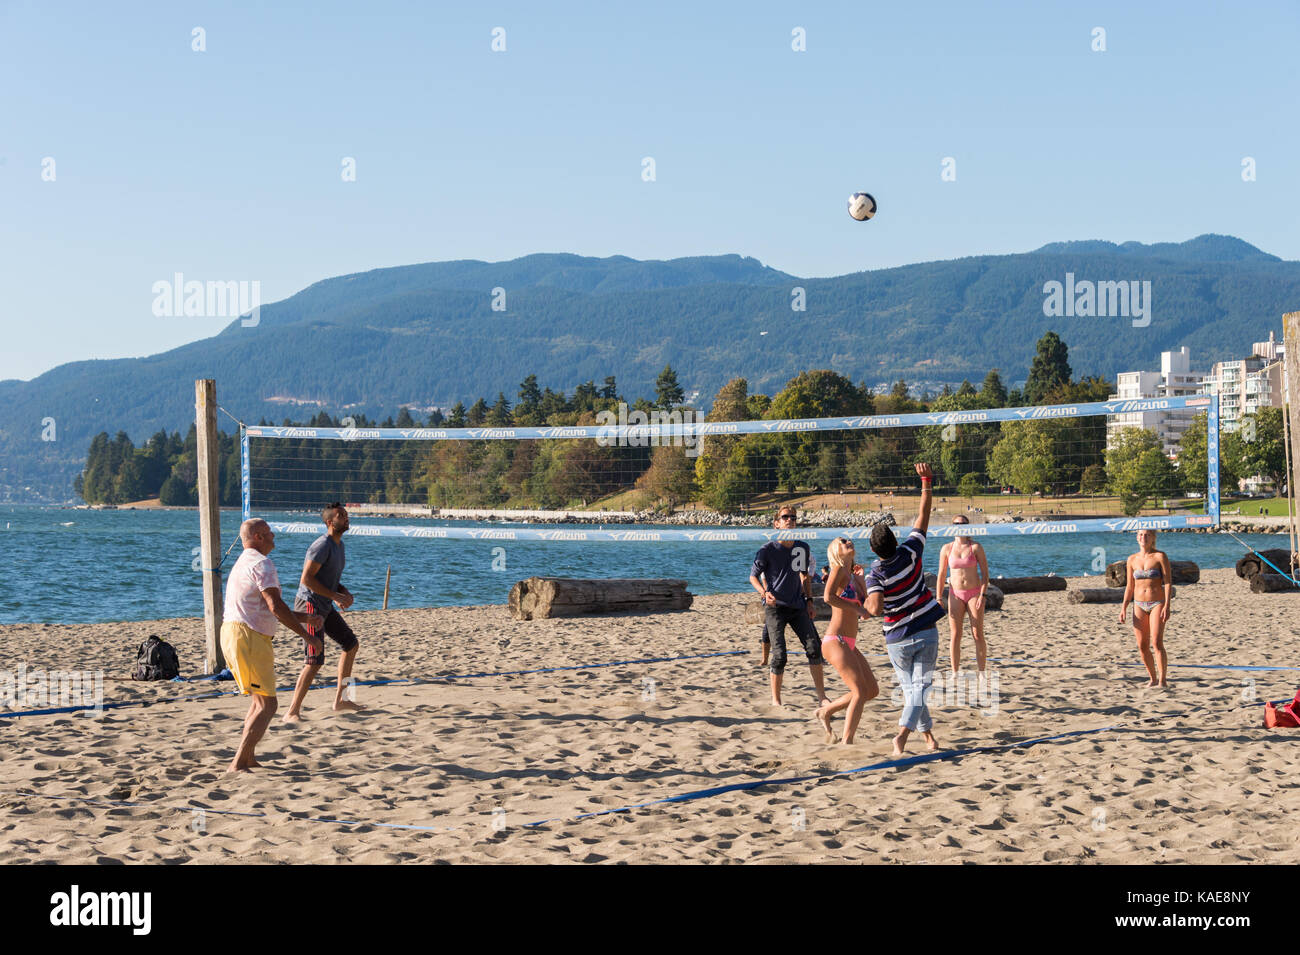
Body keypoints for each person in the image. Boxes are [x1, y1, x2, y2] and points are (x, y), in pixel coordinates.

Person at [220, 519, 323, 772]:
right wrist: (308, 636)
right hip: (248, 637)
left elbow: (266, 606)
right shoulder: (261, 563)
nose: (274, 536)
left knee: (258, 703)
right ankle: (237, 763)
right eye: (268, 532)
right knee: (268, 705)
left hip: (235, 633)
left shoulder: (244, 561)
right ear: (258, 537)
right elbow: (275, 606)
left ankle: (249, 758)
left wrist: (305, 618)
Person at [864, 463, 946, 756]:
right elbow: (923, 516)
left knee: (916, 690)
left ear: (874, 550)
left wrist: (864, 601)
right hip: (925, 629)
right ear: (895, 541)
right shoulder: (912, 550)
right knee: (919, 690)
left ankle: (916, 736)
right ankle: (914, 737)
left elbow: (874, 608)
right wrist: (926, 482)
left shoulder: (874, 574)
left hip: (897, 637)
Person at [284, 502, 364, 721]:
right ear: (330, 522)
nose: (346, 518)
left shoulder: (340, 546)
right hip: (309, 605)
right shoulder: (321, 545)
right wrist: (335, 596)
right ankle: (292, 712)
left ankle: (342, 699)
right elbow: (307, 579)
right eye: (341, 515)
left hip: (325, 605)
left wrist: (344, 592)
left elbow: (330, 579)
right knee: (315, 661)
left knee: (351, 644)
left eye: (346, 515)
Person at [749, 507, 828, 708]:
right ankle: (776, 701)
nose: (790, 520)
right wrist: (763, 593)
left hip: (798, 606)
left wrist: (810, 601)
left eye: (793, 517)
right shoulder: (767, 550)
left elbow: (804, 576)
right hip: (775, 607)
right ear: (776, 523)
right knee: (780, 655)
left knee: (814, 648)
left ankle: (822, 697)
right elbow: (753, 577)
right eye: (785, 517)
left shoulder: (801, 547)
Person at [815, 539, 881, 744]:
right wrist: (857, 609)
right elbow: (827, 597)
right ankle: (847, 741)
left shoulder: (851, 574)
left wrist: (861, 582)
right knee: (860, 692)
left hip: (849, 642)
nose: (848, 542)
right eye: (842, 542)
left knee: (871, 690)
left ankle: (827, 711)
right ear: (835, 551)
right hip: (836, 640)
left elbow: (869, 608)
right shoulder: (837, 570)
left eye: (848, 540)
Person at [1119, 529, 1173, 687]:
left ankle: (1162, 680)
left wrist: (1167, 605)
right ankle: (1153, 678)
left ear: (1153, 538)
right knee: (1142, 646)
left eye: (1147, 535)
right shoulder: (1132, 559)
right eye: (1141, 535)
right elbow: (1129, 586)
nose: (1144, 537)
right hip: (1138, 605)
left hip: (1157, 602)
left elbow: (1168, 582)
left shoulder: (1160, 556)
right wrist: (1123, 608)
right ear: (1137, 538)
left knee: (1156, 642)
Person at [936, 515, 989, 674]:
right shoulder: (947, 548)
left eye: (963, 523)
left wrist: (982, 595)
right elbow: (941, 574)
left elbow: (985, 575)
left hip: (974, 594)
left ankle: (981, 673)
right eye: (956, 523)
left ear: (968, 526)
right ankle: (954, 673)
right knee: (955, 635)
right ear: (952, 526)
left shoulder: (975, 547)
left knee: (977, 634)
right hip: (955, 593)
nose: (960, 526)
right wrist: (939, 597)